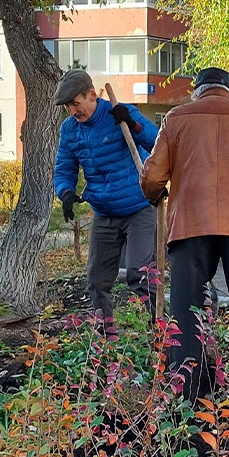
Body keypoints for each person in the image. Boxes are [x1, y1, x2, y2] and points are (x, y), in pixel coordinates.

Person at [140, 67, 229, 409]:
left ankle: (187, 397)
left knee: (185, 313)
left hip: (190, 227)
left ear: (197, 90)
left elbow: (152, 178)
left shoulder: (176, 119)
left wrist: (155, 191)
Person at [53, 68, 159, 323]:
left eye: (75, 104)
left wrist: (133, 123)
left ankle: (162, 334)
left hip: (139, 206)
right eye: (68, 107)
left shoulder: (119, 113)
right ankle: (105, 339)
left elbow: (156, 142)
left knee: (139, 273)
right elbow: (64, 167)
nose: (72, 111)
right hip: (104, 212)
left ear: (92, 95)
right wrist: (65, 192)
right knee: (97, 281)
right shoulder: (70, 130)